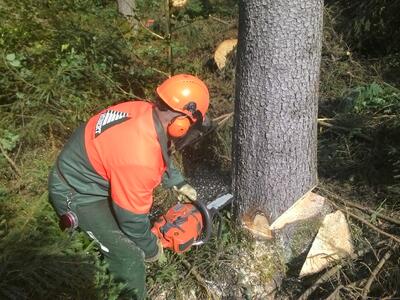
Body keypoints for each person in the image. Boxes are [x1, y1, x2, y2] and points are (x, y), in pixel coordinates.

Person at [48, 74, 210, 299]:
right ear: (181, 123)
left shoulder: (144, 111)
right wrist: (152, 249)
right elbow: (132, 221)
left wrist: (177, 182)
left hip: (94, 174)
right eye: (190, 125)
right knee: (129, 256)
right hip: (77, 192)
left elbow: (161, 149)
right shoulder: (139, 157)